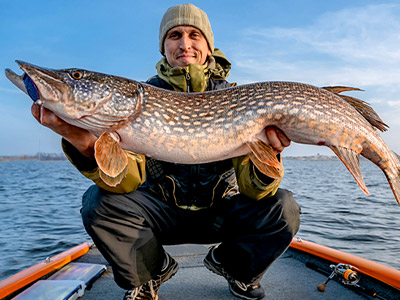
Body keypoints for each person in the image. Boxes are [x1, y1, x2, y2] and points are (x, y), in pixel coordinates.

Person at [31, 3, 301, 300]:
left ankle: (235, 267)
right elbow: (127, 183)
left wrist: (269, 157)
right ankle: (153, 270)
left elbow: (256, 192)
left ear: (208, 46)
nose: (184, 44)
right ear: (164, 47)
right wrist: (82, 142)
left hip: (219, 214)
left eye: (194, 35)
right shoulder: (140, 99)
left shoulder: (238, 99)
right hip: (161, 214)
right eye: (174, 35)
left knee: (282, 207)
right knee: (98, 203)